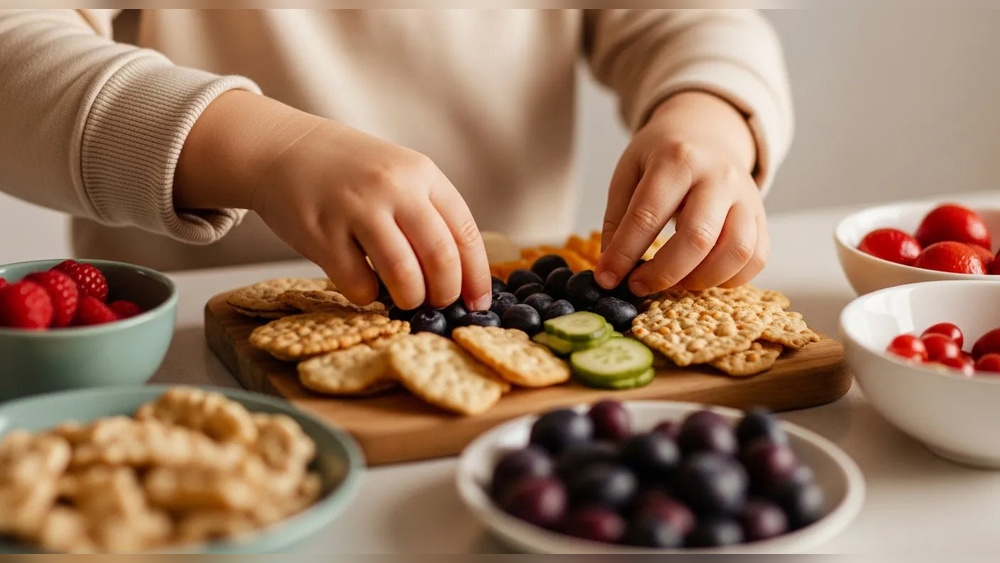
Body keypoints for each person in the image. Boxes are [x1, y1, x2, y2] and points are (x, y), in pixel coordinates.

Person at [0, 9, 792, 313]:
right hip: (184, 357)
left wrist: (713, 117)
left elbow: (690, 19)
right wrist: (268, 150)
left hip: (522, 361)